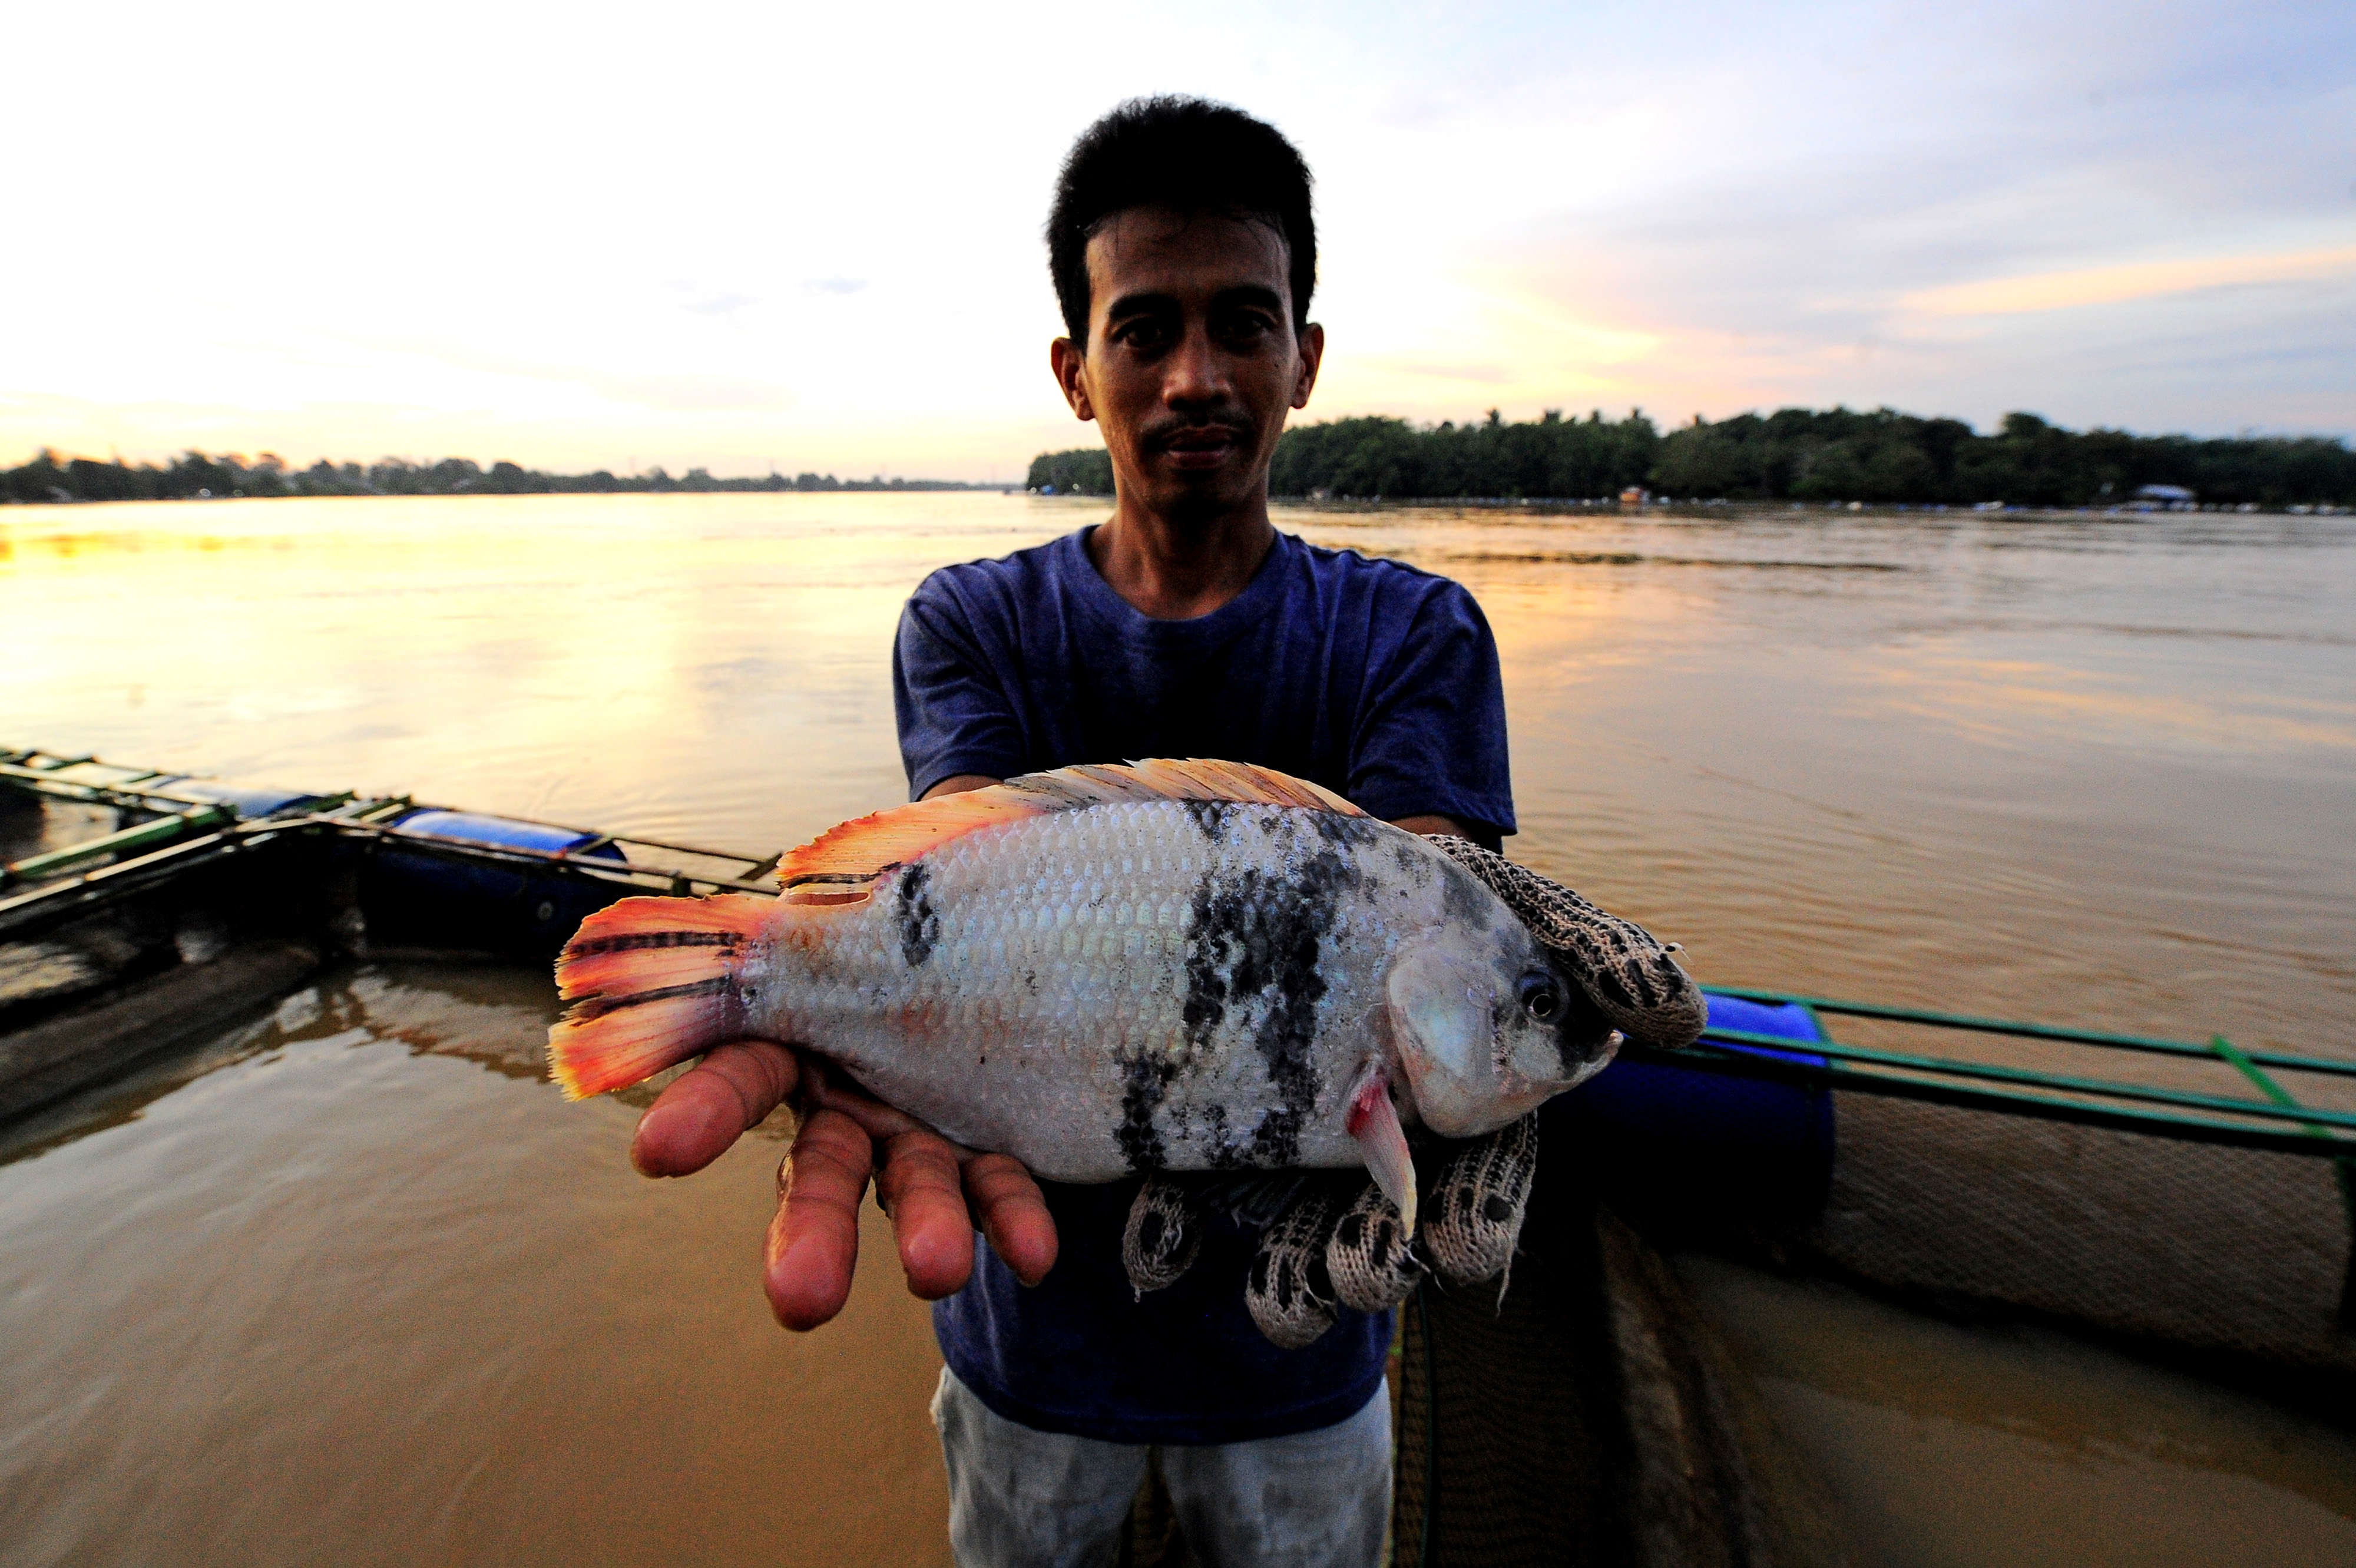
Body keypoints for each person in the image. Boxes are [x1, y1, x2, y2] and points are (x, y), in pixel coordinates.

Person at [626, 97, 1514, 1567]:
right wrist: (796, 984)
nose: (1194, 377)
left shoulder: (1413, 629)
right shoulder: (969, 623)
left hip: (1302, 1352)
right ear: (1073, 369)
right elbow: (948, 879)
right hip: (1031, 1339)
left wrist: (1491, 1004)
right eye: (1141, 329)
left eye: (1243, 322)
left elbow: (1430, 901)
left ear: (1304, 354)